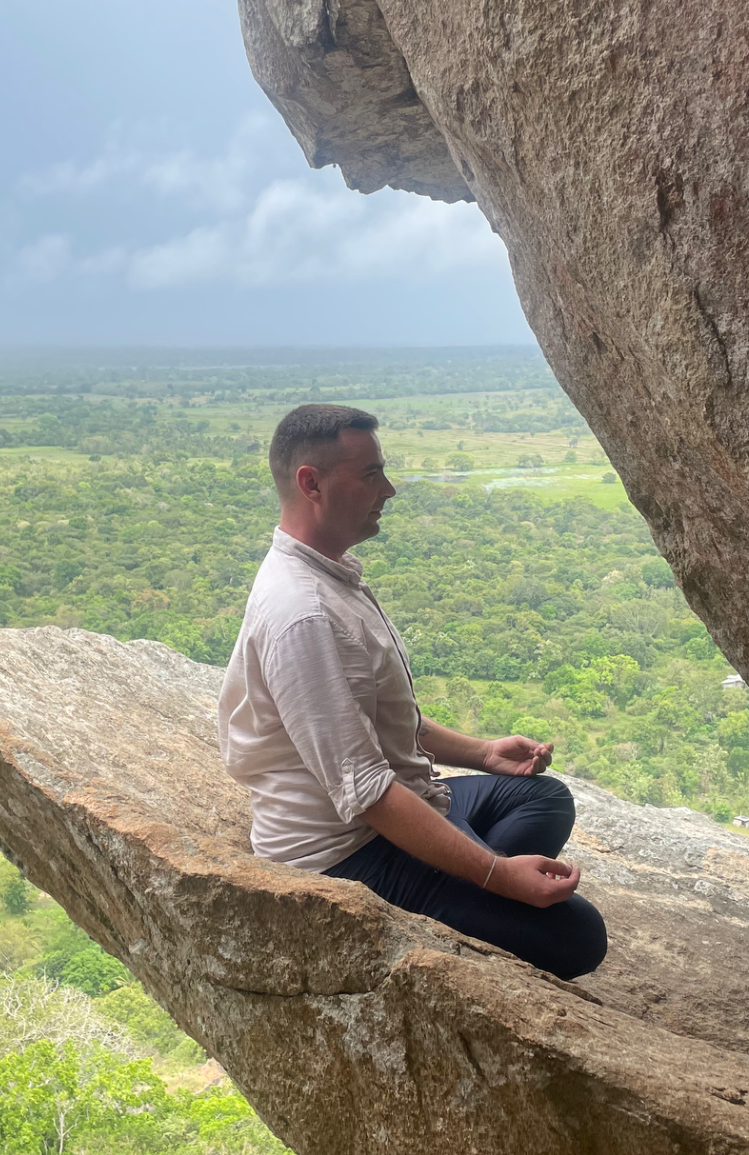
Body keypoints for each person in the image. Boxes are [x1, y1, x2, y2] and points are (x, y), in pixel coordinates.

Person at [217, 403, 607, 981]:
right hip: (350, 851)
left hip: (405, 802)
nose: (389, 489)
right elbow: (367, 792)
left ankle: (463, 879)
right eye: (371, 474)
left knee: (542, 798)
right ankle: (469, 886)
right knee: (579, 937)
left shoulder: (329, 575)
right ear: (311, 483)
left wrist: (483, 753)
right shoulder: (303, 614)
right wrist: (497, 876)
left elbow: (378, 719)